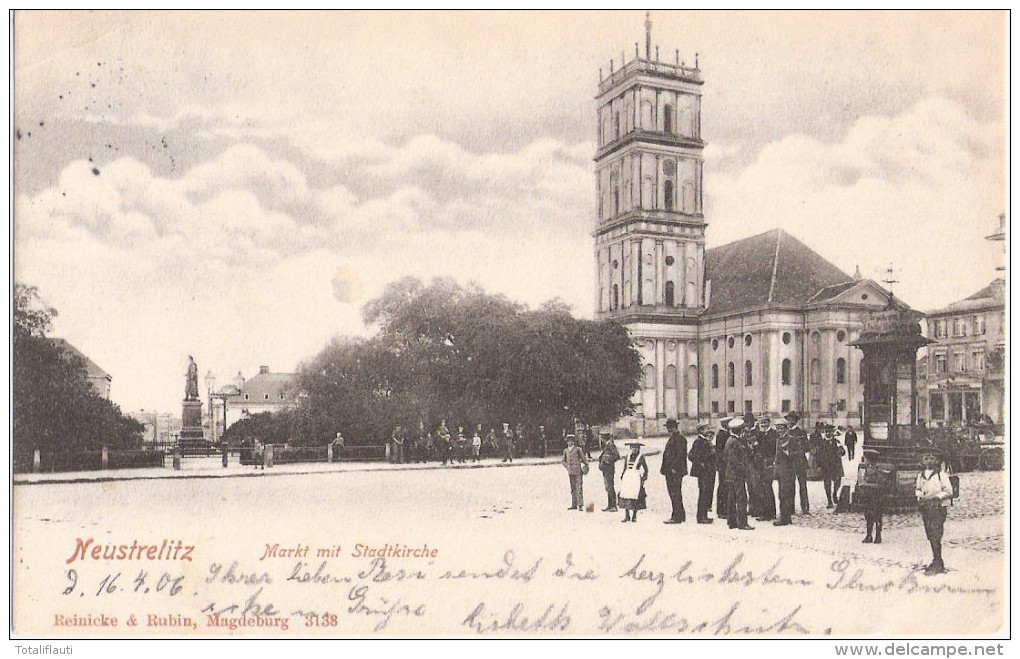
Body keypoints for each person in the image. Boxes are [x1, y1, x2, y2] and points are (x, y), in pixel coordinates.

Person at [915, 448, 954, 575]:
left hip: (938, 508)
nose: (929, 460)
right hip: (926, 507)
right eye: (926, 458)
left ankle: (938, 561)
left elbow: (948, 491)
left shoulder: (941, 475)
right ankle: (936, 559)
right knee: (930, 534)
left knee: (936, 534)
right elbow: (918, 489)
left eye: (932, 458)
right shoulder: (921, 475)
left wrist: (937, 497)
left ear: (937, 460)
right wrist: (920, 496)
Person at [724, 418, 754, 530]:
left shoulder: (729, 440)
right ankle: (742, 523)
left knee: (731, 498)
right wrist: (744, 469)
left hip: (730, 474)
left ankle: (732, 522)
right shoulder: (735, 442)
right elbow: (735, 460)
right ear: (740, 430)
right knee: (741, 498)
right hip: (737, 474)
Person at [858, 450, 892, 544]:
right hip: (867, 496)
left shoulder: (879, 471)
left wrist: (866, 484)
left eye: (866, 458)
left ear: (870, 459)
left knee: (877, 515)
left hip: (877, 497)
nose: (864, 460)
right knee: (868, 515)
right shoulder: (865, 470)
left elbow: (880, 485)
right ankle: (869, 535)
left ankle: (878, 535)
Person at [661, 419, 688, 524]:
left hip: (675, 471)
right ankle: (680, 515)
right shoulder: (673, 438)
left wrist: (674, 468)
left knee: (675, 492)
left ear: (674, 427)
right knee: (674, 493)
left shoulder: (680, 439)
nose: (668, 429)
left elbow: (680, 455)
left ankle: (676, 516)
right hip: (670, 470)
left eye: (669, 427)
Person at [688, 422, 716, 524]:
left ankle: (704, 515)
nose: (707, 430)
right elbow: (691, 456)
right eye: (705, 429)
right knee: (703, 493)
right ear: (700, 431)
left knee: (706, 493)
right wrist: (701, 463)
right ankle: (701, 517)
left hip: (708, 471)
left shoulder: (705, 441)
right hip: (703, 472)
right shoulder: (698, 442)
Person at [750, 415, 777, 522]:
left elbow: (774, 449)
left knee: (768, 487)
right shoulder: (758, 434)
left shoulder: (773, 434)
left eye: (765, 423)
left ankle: (770, 512)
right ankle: (763, 512)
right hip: (759, 464)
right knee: (761, 488)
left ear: (769, 423)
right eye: (762, 423)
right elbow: (755, 448)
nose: (764, 425)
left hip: (769, 463)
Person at [786, 411, 811, 514]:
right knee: (790, 485)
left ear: (796, 421)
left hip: (800, 462)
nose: (790, 422)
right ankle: (791, 508)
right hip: (789, 463)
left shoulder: (801, 432)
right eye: (789, 420)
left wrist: (798, 450)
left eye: (792, 420)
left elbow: (807, 447)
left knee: (803, 485)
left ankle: (805, 507)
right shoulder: (785, 432)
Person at [772, 420, 796, 526]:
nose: (780, 430)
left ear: (786, 428)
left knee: (785, 494)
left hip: (788, 471)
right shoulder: (778, 439)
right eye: (778, 428)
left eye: (782, 428)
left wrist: (788, 453)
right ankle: (785, 517)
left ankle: (784, 518)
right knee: (781, 494)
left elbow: (797, 454)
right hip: (780, 471)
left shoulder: (791, 439)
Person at [618, 441, 649, 523]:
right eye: (633, 448)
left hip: (635, 477)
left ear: (639, 449)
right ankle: (627, 515)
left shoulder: (640, 457)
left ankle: (634, 515)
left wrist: (644, 477)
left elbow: (646, 469)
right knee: (625, 494)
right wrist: (622, 476)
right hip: (627, 477)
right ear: (630, 448)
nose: (635, 449)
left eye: (636, 448)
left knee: (635, 495)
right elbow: (625, 468)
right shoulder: (627, 457)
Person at [819, 427, 845, 508]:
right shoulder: (822, 442)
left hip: (836, 465)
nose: (828, 433)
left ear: (832, 432)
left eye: (830, 432)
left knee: (838, 481)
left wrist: (840, 451)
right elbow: (818, 455)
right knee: (827, 483)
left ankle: (834, 493)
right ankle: (829, 501)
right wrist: (819, 465)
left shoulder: (836, 441)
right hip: (826, 466)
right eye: (826, 432)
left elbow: (843, 452)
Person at [562, 435, 588, 511]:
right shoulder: (565, 451)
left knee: (579, 487)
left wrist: (586, 466)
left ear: (573, 442)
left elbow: (583, 459)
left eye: (571, 441)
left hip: (578, 471)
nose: (569, 442)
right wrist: (567, 466)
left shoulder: (578, 449)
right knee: (573, 488)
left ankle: (580, 505)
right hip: (570, 472)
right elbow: (563, 460)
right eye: (568, 441)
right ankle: (574, 504)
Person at [597, 432, 620, 512]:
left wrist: (608, 461)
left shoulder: (611, 445)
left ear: (604, 438)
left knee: (610, 487)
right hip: (605, 469)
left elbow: (617, 456)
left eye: (602, 438)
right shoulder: (607, 446)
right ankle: (610, 505)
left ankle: (614, 506)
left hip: (609, 469)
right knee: (607, 487)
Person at [714, 417, 732, 519]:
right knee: (724, 487)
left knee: (724, 486)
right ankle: (722, 510)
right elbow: (721, 452)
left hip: (723, 465)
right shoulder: (722, 435)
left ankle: (724, 510)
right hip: (724, 465)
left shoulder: (723, 434)